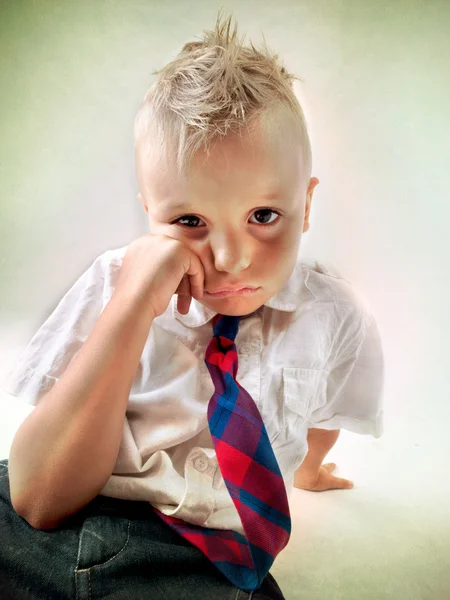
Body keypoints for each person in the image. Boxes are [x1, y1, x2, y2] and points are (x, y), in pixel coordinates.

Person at [0, 10, 384, 600]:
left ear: (306, 206)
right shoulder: (113, 284)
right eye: (189, 221)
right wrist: (133, 302)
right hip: (63, 507)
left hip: (203, 556)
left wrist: (308, 470)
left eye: (264, 216)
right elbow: (37, 497)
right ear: (149, 211)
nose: (229, 258)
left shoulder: (335, 317)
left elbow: (326, 413)